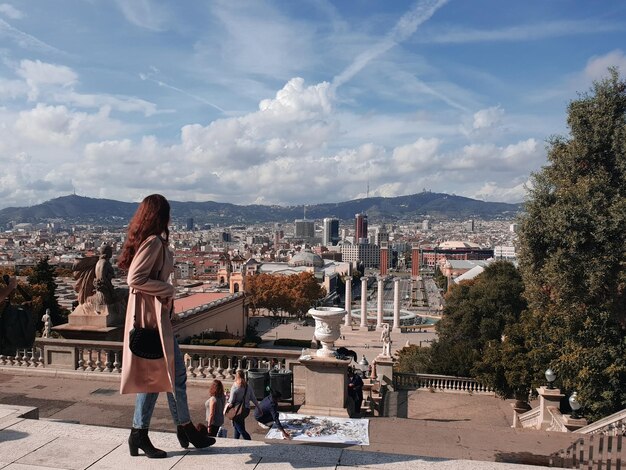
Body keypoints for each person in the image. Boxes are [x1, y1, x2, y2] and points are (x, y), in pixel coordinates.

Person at [118, 194, 214, 459]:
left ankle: (143, 433)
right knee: (175, 376)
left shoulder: (149, 241)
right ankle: (183, 429)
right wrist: (168, 288)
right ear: (162, 216)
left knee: (157, 378)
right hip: (152, 322)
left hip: (153, 318)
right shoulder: (154, 242)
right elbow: (134, 278)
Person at [226, 369, 259, 440]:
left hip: (237, 410)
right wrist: (258, 407)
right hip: (245, 410)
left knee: (240, 429)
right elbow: (253, 398)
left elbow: (231, 401)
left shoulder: (235, 386)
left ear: (236, 376)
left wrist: (227, 401)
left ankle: (249, 441)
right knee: (238, 425)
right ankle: (235, 440)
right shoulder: (248, 386)